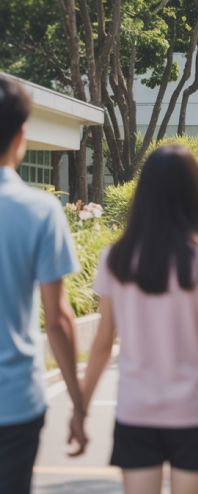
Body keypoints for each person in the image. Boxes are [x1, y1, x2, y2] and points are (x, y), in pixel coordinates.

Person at [81, 146, 198, 494]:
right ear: (194, 192)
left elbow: (101, 343)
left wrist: (79, 410)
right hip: (194, 412)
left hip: (135, 410)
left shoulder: (117, 257)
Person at [0, 77, 87, 494]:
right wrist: (78, 401)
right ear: (21, 137)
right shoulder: (40, 211)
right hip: (14, 403)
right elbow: (58, 319)